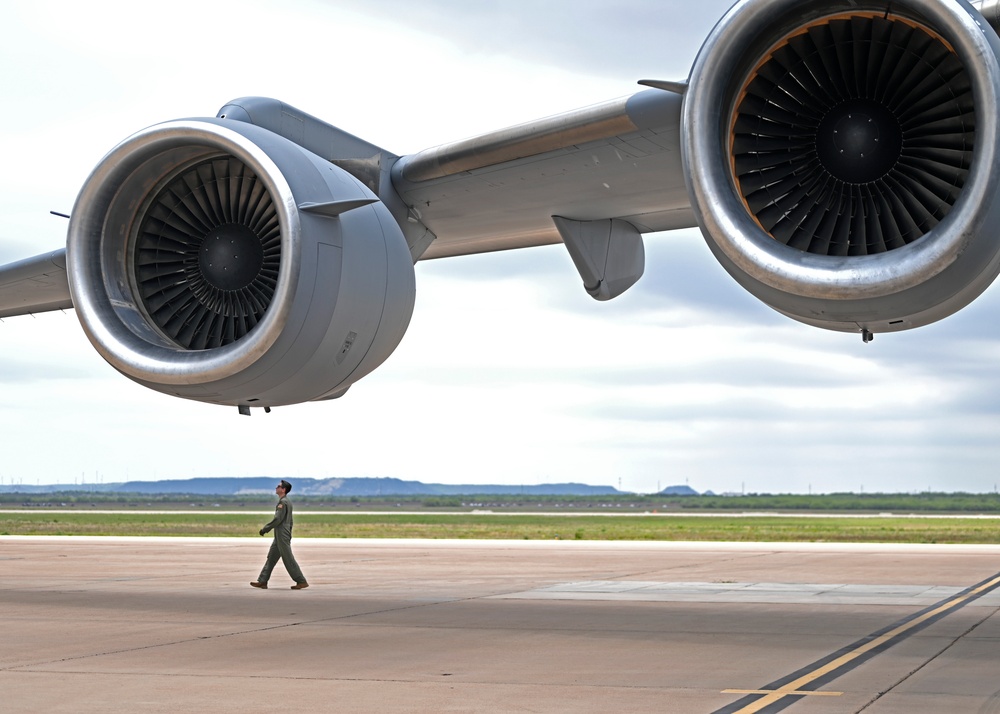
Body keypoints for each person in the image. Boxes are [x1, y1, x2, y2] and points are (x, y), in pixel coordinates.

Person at [251, 480, 308, 590]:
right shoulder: (286, 501)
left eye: (279, 486)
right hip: (280, 534)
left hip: (282, 534)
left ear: (283, 490)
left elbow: (278, 519)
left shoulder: (283, 502)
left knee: (288, 559)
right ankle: (263, 581)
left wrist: (265, 529)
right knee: (271, 558)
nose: (276, 488)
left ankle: (301, 581)